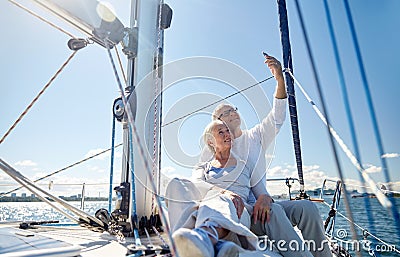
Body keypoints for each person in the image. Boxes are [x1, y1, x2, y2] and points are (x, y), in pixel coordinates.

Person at [199, 55, 332, 257]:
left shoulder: (256, 136)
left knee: (308, 209)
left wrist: (279, 79)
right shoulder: (217, 151)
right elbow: (201, 180)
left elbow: (277, 117)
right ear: (218, 125)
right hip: (245, 211)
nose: (233, 112)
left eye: (233, 109)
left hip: (264, 203)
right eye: (226, 112)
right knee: (275, 213)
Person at [166, 119, 282, 257]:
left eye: (228, 131)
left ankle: (206, 237)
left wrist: (266, 199)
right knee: (176, 183)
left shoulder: (245, 164)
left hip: (239, 211)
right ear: (210, 141)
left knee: (220, 199)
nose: (227, 134)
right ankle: (199, 246)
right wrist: (222, 191)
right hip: (208, 209)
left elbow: (262, 194)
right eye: (221, 132)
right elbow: (197, 182)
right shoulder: (202, 167)